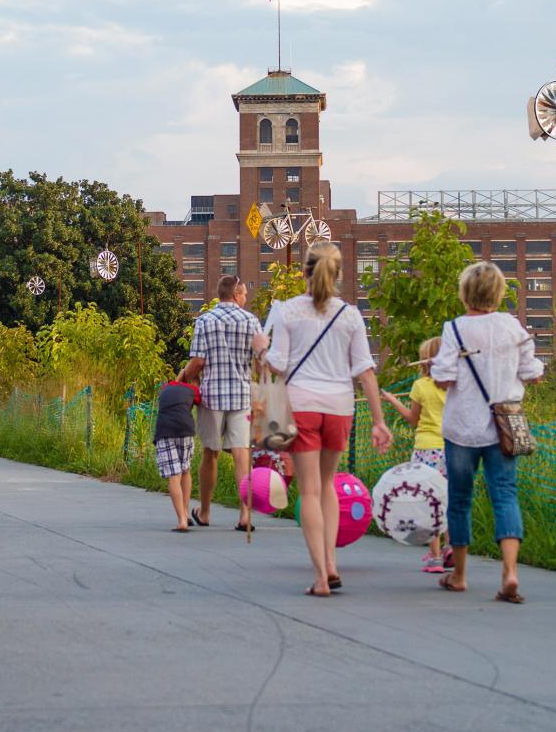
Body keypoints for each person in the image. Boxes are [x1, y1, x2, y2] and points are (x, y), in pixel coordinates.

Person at [265, 243, 392, 596]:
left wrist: (261, 345)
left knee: (308, 491)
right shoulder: (350, 315)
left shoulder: (288, 312)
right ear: (337, 275)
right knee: (328, 485)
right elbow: (365, 372)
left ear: (305, 271)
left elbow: (276, 363)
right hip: (340, 406)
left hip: (302, 404)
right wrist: (379, 422)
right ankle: (332, 563)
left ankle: (321, 576)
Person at [430, 261, 544, 603]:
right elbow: (532, 370)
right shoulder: (514, 328)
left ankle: (460, 575)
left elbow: (443, 377)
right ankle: (510, 573)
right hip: (503, 427)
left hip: (462, 427)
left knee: (460, 500)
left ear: (466, 293)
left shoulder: (455, 329)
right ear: (498, 293)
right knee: (505, 494)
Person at [186, 275, 269, 530]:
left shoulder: (205, 320)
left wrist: (183, 378)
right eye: (244, 294)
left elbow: (198, 361)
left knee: (210, 453)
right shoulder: (251, 321)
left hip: (211, 396)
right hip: (242, 396)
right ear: (236, 294)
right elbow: (261, 361)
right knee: (242, 453)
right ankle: (245, 514)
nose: (245, 299)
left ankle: (206, 512)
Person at [381, 336, 450, 573]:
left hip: (426, 449)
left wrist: (391, 401)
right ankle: (451, 547)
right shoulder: (454, 384)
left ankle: (434, 556)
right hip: (451, 448)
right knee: (446, 500)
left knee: (429, 501)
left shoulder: (421, 386)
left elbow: (413, 419)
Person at [154, 367, 201, 532]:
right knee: (185, 470)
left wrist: (183, 374)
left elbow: (178, 382)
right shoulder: (194, 390)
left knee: (174, 476)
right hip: (185, 430)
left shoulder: (166, 388)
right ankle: (186, 514)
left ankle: (181, 519)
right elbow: (199, 401)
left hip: (165, 431)